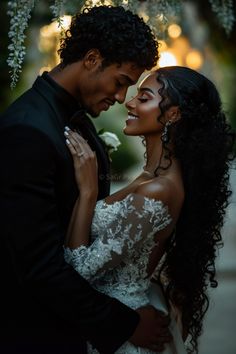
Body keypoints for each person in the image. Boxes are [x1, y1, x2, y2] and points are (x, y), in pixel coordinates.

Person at [0, 5, 173, 354]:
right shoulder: (27, 131)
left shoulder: (72, 116)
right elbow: (38, 268)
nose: (122, 98)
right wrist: (126, 324)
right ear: (92, 59)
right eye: (121, 82)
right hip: (39, 336)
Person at [63, 66, 235, 354]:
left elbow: (78, 273)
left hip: (121, 337)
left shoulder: (158, 191)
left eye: (143, 98)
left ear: (173, 114)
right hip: (120, 319)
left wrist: (88, 192)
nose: (129, 102)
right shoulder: (149, 179)